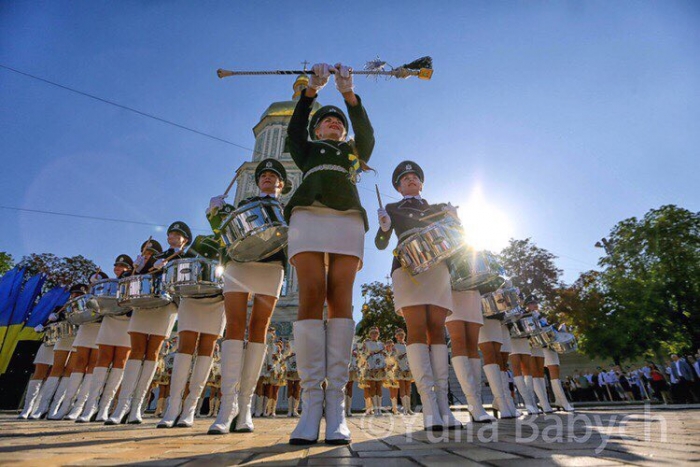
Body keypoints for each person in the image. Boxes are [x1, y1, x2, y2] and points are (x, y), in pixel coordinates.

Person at [285, 63, 374, 445]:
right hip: (308, 215)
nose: (334, 123)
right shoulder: (306, 150)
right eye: (327, 121)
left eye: (339, 121)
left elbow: (367, 135)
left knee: (341, 300)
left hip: (347, 218)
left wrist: (348, 93)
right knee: (310, 295)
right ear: (317, 129)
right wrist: (313, 92)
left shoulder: (354, 154)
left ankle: (336, 405)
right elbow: (293, 130)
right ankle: (310, 404)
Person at [376, 160, 461, 431]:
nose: (410, 180)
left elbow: (459, 240)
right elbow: (380, 244)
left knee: (437, 330)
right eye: (405, 178)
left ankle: (443, 406)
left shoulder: (437, 208)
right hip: (406, 265)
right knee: (416, 327)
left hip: (437, 266)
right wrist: (385, 226)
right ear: (399, 187)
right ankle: (428, 406)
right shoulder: (392, 208)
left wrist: (456, 220)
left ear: (421, 184)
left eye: (414, 177)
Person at [206, 159, 288, 434]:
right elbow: (223, 232)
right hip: (238, 263)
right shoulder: (244, 204)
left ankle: (245, 407)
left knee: (259, 328)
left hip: (271, 264)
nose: (267, 178)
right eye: (263, 175)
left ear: (281, 184)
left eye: (273, 176)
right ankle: (227, 407)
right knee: (234, 325)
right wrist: (215, 213)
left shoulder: (288, 209)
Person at [153, 222, 225, 428]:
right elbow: (176, 273)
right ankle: (173, 407)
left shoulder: (230, 243)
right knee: (185, 348)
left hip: (217, 299)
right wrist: (161, 267)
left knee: (206, 350)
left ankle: (190, 408)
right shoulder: (199, 244)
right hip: (191, 298)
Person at [76, 256, 134, 422]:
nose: (118, 268)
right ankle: (90, 406)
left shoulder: (131, 280)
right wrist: (92, 287)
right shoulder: (108, 283)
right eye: (116, 265)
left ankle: (105, 407)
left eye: (122, 266)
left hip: (127, 320)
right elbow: (95, 304)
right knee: (103, 359)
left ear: (128, 268)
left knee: (120, 361)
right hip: (110, 319)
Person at [48, 273, 106, 419]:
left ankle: (79, 405)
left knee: (93, 365)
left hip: (99, 328)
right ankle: (64, 405)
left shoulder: (105, 295)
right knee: (79, 363)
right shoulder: (82, 300)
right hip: (85, 327)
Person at [30, 283, 87, 419]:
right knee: (56, 369)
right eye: (74, 294)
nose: (75, 296)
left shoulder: (86, 308)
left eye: (79, 294)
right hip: (63, 338)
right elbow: (52, 324)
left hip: (78, 338)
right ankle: (42, 406)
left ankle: (56, 406)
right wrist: (47, 322)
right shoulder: (61, 308)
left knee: (69, 371)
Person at [446, 287, 495, 423]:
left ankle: (477, 404)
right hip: (452, 288)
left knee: (473, 345)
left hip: (473, 290)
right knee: (459, 340)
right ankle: (473, 402)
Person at [508, 296, 541, 415]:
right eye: (532, 304)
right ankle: (528, 403)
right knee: (517, 369)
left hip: (523, 340)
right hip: (513, 339)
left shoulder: (532, 313)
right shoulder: (512, 308)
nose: (534, 305)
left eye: (535, 303)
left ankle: (532, 401)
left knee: (528, 369)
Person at [361, 327, 386, 416]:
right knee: (372, 386)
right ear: (370, 334)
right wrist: (368, 354)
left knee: (379, 386)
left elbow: (386, 354)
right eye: (372, 333)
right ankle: (375, 409)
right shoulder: (366, 344)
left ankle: (379, 409)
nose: (374, 335)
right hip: (371, 367)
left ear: (378, 334)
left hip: (380, 367)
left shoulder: (381, 344)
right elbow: (363, 354)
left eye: (376, 333)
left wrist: (384, 354)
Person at [393, 329, 414, 415]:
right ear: (396, 337)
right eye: (399, 335)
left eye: (402, 335)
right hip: (400, 368)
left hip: (408, 367)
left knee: (408, 386)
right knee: (402, 387)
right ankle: (405, 408)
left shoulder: (408, 345)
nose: (401, 336)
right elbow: (394, 356)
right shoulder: (395, 346)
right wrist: (399, 359)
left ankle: (409, 408)